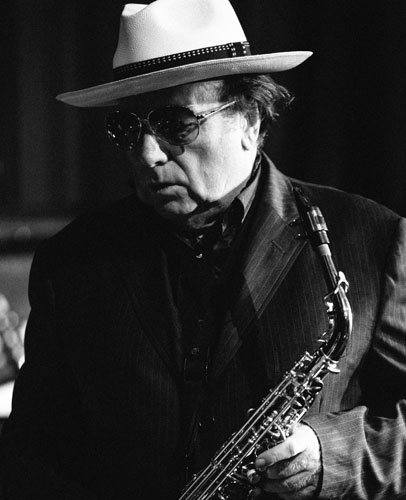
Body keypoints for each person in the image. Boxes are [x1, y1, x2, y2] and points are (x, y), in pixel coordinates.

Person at [0, 0, 405, 499]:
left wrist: (334, 456)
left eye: (175, 123)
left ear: (250, 120)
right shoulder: (69, 262)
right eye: (128, 128)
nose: (147, 155)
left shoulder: (373, 239)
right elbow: (31, 453)